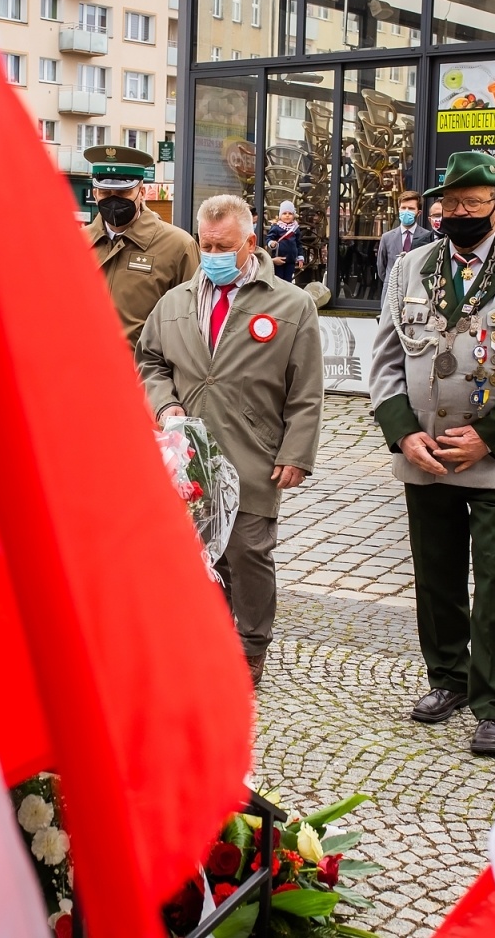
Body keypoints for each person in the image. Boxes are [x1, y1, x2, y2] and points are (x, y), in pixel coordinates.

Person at [368, 151, 495, 756]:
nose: (458, 214)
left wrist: (491, 434)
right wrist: (404, 432)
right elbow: (384, 359)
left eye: (471, 204)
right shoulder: (410, 266)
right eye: (450, 204)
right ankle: (447, 679)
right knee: (437, 575)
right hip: (426, 452)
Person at [137, 193, 323, 687]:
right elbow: (150, 361)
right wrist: (164, 404)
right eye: (206, 244)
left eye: (224, 245)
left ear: (250, 243)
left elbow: (306, 389)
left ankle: (251, 645)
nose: (213, 254)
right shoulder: (175, 302)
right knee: (199, 553)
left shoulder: (291, 304)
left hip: (255, 451)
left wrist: (296, 453)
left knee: (248, 551)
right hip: (190, 455)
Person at [84, 144, 199, 349]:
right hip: (82, 372)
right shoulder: (75, 243)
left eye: (123, 192)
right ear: (95, 193)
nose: (113, 199)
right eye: (105, 192)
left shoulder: (178, 246)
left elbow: (191, 323)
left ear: (142, 191)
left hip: (142, 376)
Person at [376, 190, 435, 290]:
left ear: (419, 212)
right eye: (403, 208)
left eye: (411, 208)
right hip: (391, 292)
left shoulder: (427, 236)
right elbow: (381, 267)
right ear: (399, 210)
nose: (406, 211)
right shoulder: (387, 237)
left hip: (416, 290)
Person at [267, 200, 303, 282]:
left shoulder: (295, 229)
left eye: (290, 214)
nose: (287, 216)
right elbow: (268, 238)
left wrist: (300, 257)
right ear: (280, 215)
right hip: (279, 259)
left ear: (293, 216)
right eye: (284, 213)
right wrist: (271, 243)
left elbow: (298, 244)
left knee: (288, 280)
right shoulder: (276, 227)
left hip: (291, 260)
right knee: (279, 280)